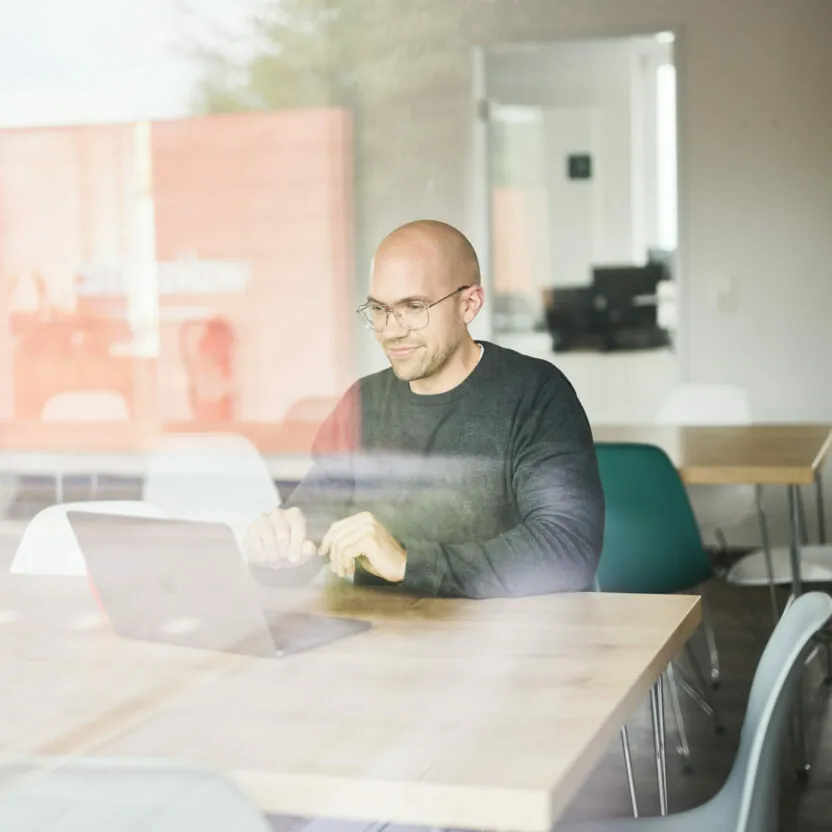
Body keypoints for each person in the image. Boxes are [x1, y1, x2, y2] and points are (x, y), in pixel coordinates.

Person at [244, 220, 604, 598]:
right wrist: (275, 551)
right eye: (378, 309)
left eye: (413, 307)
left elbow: (568, 549)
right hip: (388, 645)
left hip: (508, 646)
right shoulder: (362, 403)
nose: (390, 330)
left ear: (469, 304)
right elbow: (306, 543)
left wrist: (407, 563)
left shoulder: (536, 394)